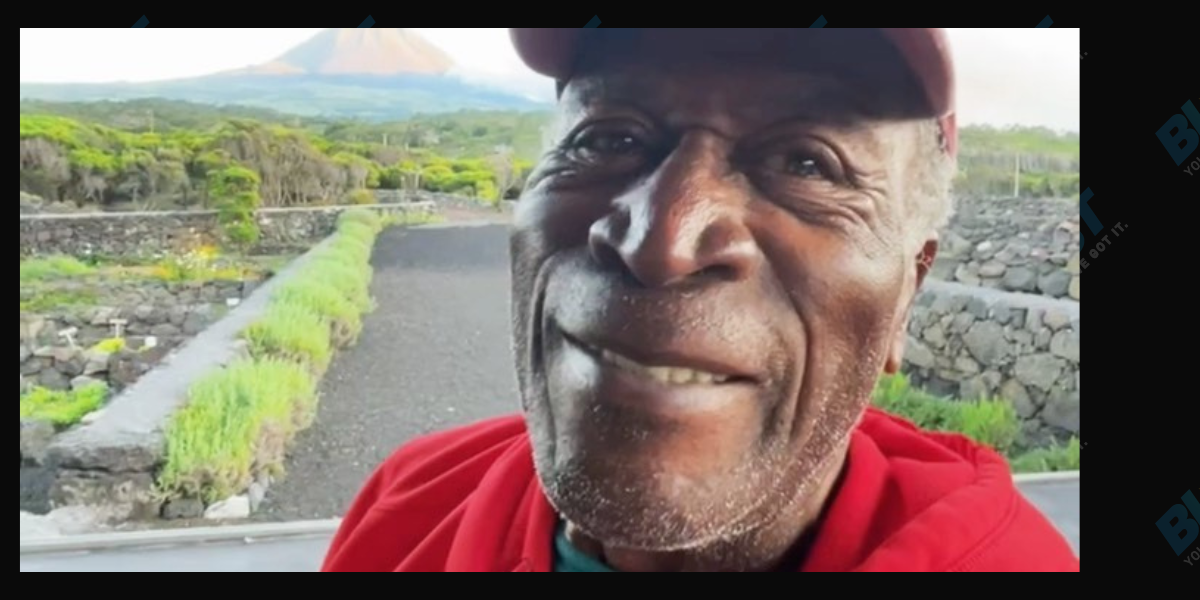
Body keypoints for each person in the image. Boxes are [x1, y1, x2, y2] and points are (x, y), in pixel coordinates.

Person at [320, 27, 1080, 572]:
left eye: (806, 162)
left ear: (906, 293)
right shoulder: (410, 504)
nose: (662, 239)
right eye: (607, 138)